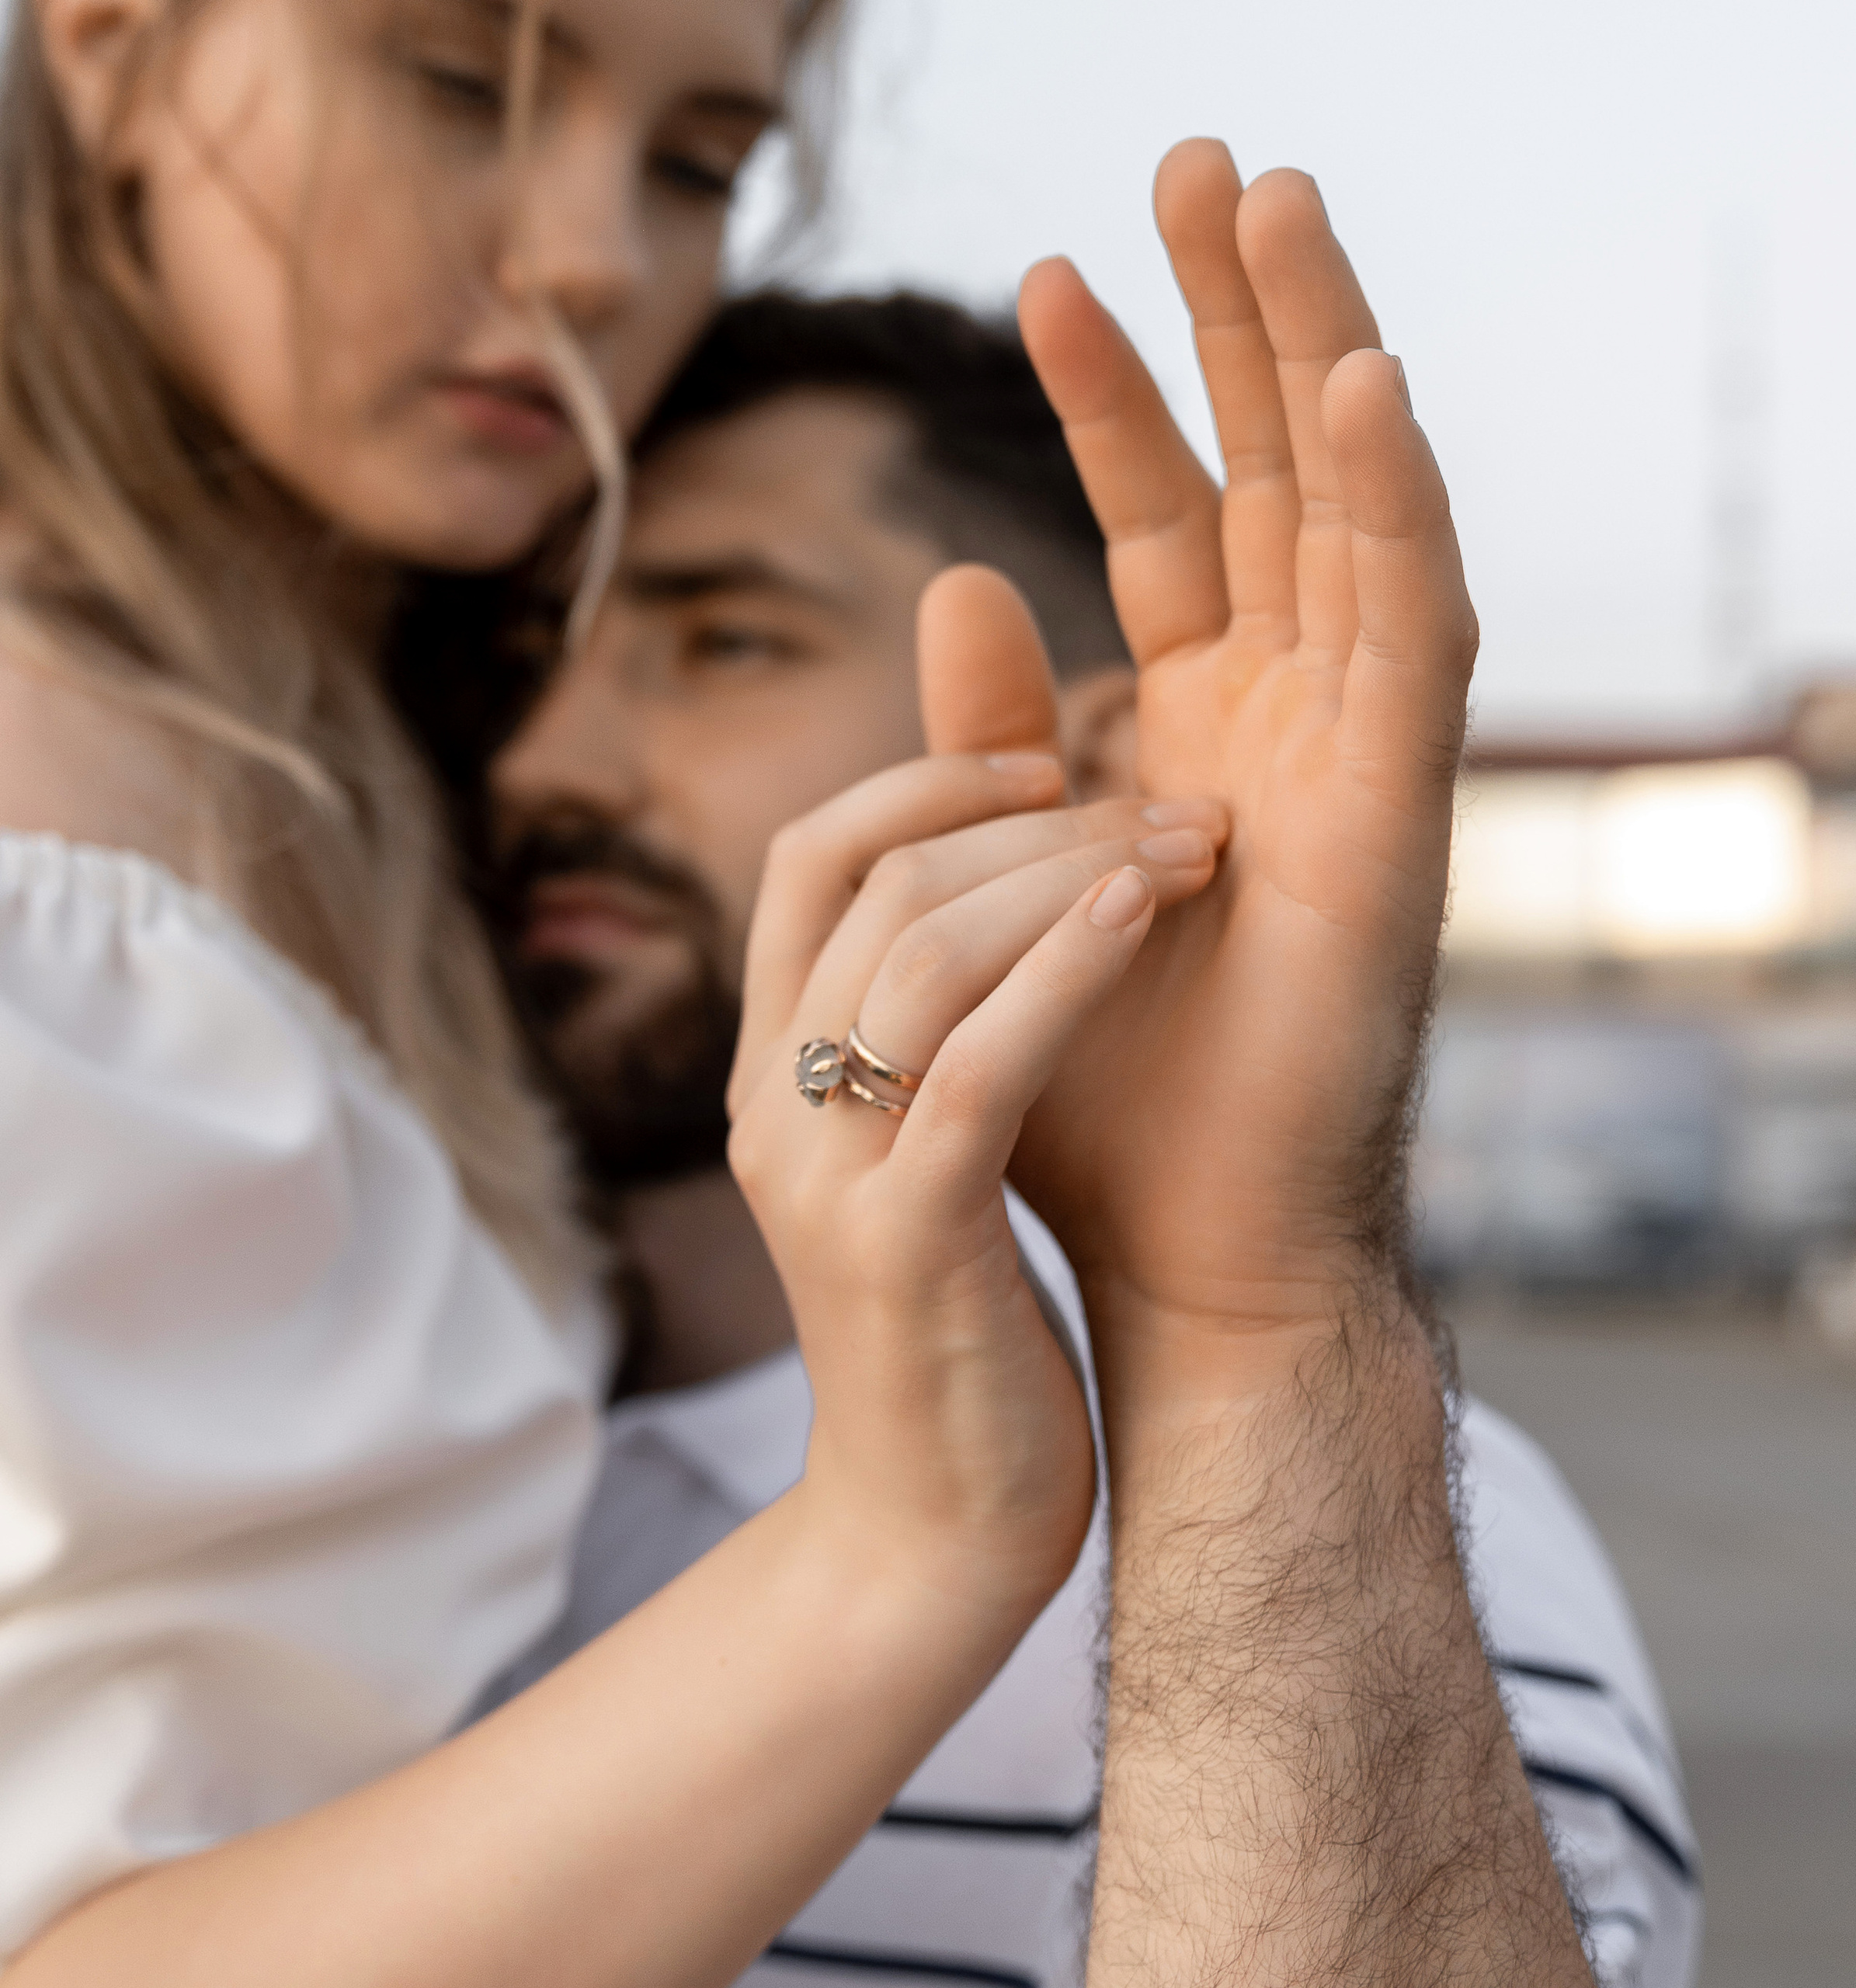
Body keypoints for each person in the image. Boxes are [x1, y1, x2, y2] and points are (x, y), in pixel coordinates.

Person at [0, 2, 1208, 1978]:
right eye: (456, 81)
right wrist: (897, 1536)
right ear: (115, 38)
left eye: (697, 163)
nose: (591, 259)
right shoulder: (53, 848)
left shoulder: (358, 780)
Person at [479, 289, 1702, 1988]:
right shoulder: (365, 1446)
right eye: (517, 664)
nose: (539, 763)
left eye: (724, 641)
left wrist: (1237, 1316)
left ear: (1095, 761)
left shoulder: (1365, 1550)